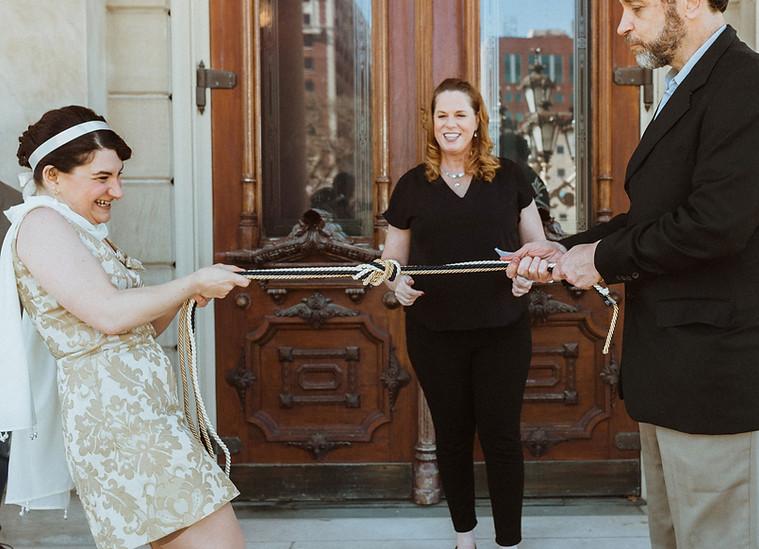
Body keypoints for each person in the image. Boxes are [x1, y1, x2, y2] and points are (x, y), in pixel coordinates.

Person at [508, 1, 759, 548]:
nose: (622, 24)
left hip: (712, 384)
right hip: (668, 376)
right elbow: (651, 218)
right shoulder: (686, 82)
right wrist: (562, 248)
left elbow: (714, 225)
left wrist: (600, 260)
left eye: (636, 7)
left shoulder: (745, 82)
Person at [0, 106, 251, 549]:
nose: (116, 191)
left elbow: (137, 328)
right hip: (120, 421)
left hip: (141, 412)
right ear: (52, 176)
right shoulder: (42, 225)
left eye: (119, 176)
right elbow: (108, 314)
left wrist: (185, 296)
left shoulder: (75, 229)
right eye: (102, 178)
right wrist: (189, 282)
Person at [381, 78, 547, 549]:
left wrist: (528, 275)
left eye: (460, 114)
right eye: (442, 115)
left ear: (478, 122)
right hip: (435, 333)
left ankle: (509, 540)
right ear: (431, 124)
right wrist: (396, 285)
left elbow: (538, 248)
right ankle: (464, 537)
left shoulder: (510, 177)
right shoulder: (412, 186)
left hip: (503, 331)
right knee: (452, 436)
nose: (450, 124)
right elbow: (391, 262)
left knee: (501, 436)